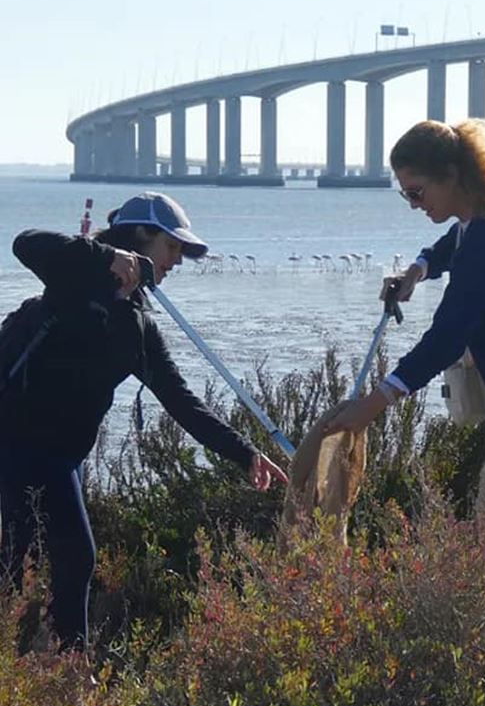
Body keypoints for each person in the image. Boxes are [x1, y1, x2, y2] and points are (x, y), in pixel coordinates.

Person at [0, 191, 287, 650]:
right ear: (142, 236)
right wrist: (103, 255)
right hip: (19, 441)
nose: (177, 260)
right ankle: (72, 669)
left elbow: (182, 402)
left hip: (61, 455)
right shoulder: (74, 277)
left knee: (20, 556)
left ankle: (30, 669)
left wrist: (245, 453)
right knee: (75, 554)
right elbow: (25, 242)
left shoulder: (138, 326)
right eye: (172, 247)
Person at [325, 119, 485, 521]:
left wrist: (373, 405)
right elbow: (452, 244)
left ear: (450, 176)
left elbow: (446, 339)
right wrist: (417, 270)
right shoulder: (480, 218)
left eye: (417, 191)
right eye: (405, 194)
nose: (413, 203)